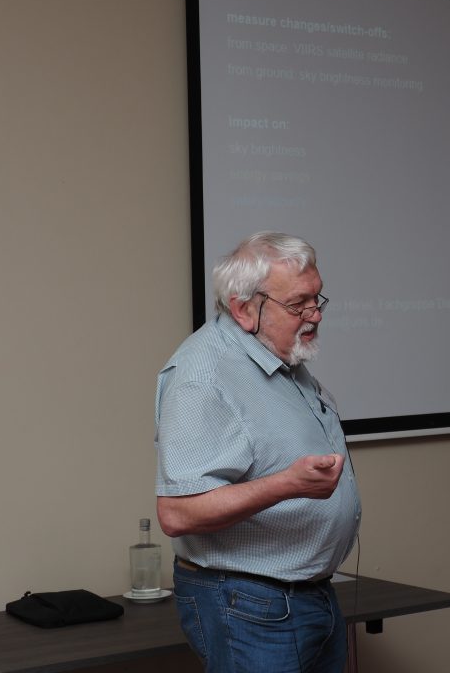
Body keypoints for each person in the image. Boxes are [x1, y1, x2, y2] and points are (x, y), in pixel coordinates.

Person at [154, 231, 361, 673]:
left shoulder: (280, 356)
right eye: (297, 304)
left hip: (308, 594)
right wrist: (288, 484)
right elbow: (177, 513)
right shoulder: (202, 378)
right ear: (244, 309)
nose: (314, 315)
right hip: (249, 605)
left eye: (317, 299)